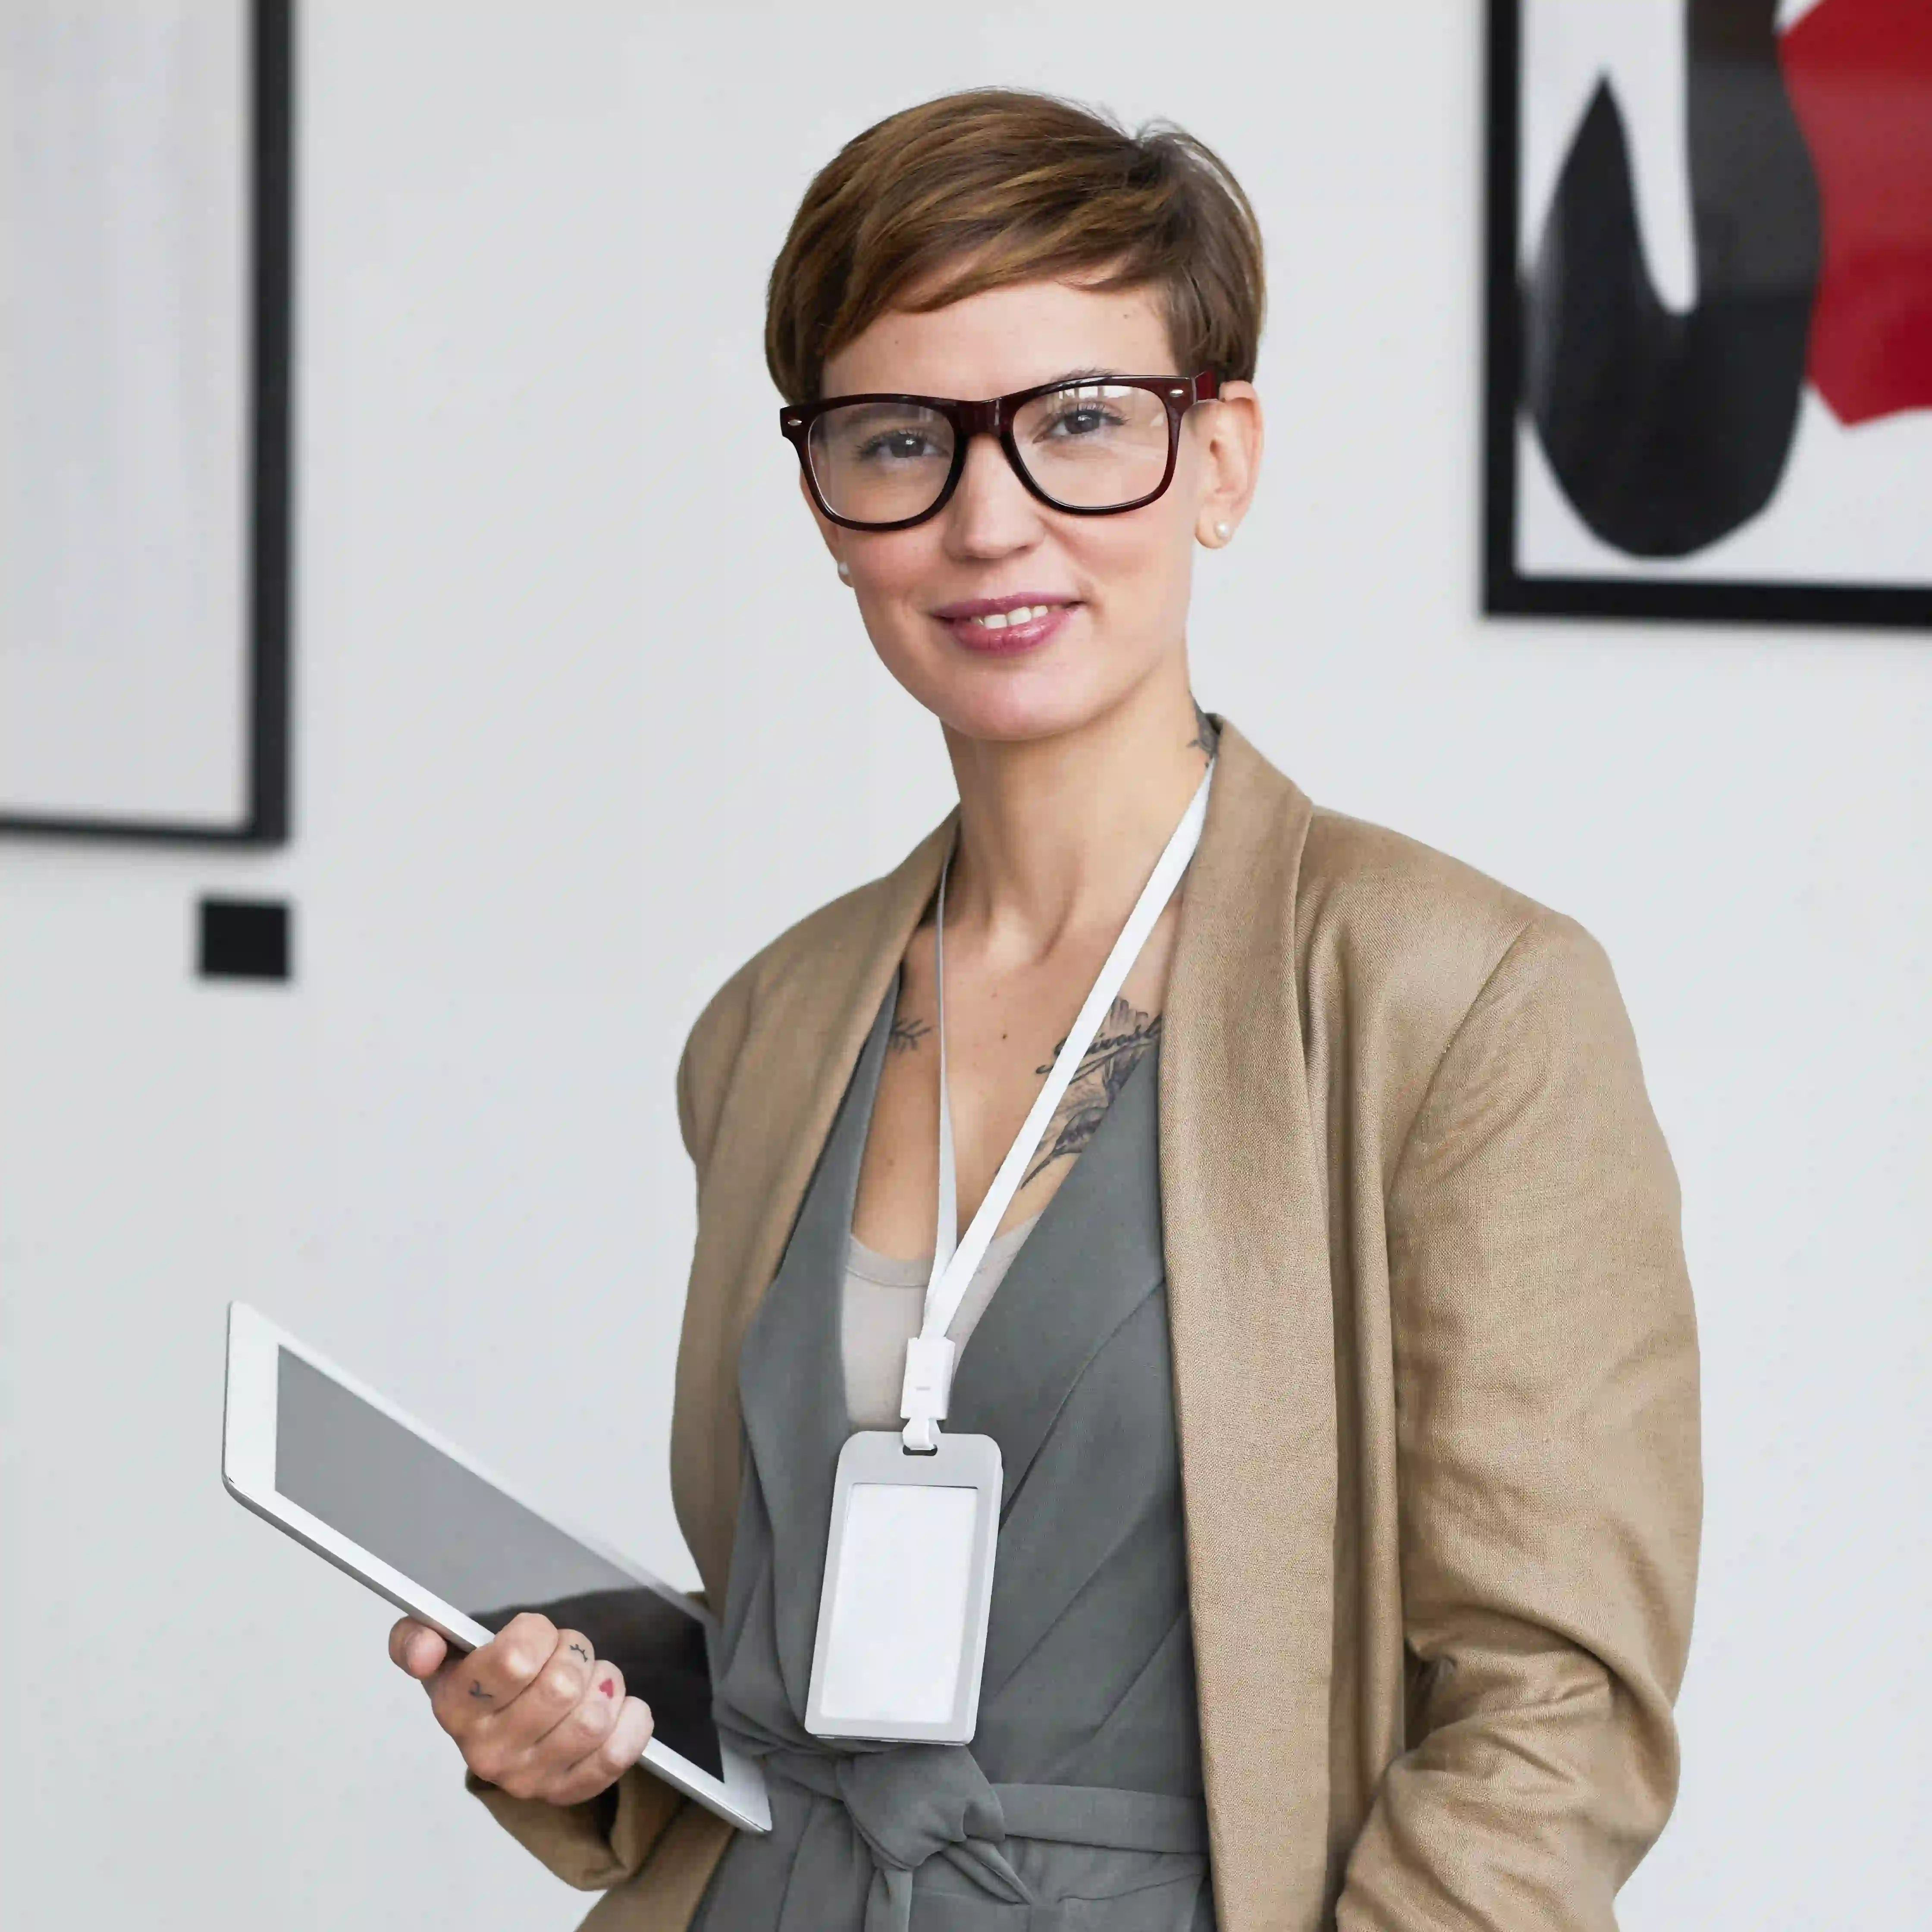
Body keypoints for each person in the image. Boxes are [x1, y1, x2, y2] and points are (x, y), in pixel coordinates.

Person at [386, 88, 1701, 1931]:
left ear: (1221, 457)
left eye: (1080, 420)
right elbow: (821, 1643)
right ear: (826, 503)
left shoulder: (1455, 998)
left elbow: (1555, 1717)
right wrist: (589, 1722)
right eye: (899, 439)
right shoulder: (772, 1026)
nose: (988, 520)